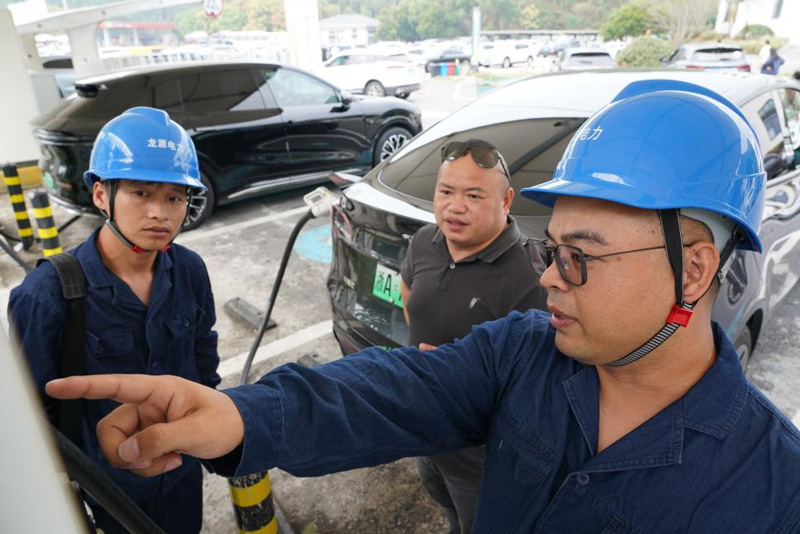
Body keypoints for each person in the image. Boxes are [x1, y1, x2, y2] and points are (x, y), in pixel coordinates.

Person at [47, 81, 800, 532]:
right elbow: (388, 390)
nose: (549, 280)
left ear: (693, 269)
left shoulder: (771, 492)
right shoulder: (524, 354)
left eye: (582, 257)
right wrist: (240, 417)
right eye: (552, 248)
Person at [10, 107, 220, 534]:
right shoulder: (48, 295)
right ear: (102, 195)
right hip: (109, 490)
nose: (160, 213)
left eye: (175, 197)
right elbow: (30, 415)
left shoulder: (190, 270)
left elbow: (203, 355)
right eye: (142, 193)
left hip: (182, 472)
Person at [400, 139, 546, 533]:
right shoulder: (423, 242)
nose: (455, 206)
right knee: (447, 511)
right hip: (426, 438)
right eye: (445, 191)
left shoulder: (531, 279)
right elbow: (409, 298)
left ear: (506, 200)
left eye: (473, 195)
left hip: (482, 461)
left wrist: (460, 380)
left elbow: (538, 387)